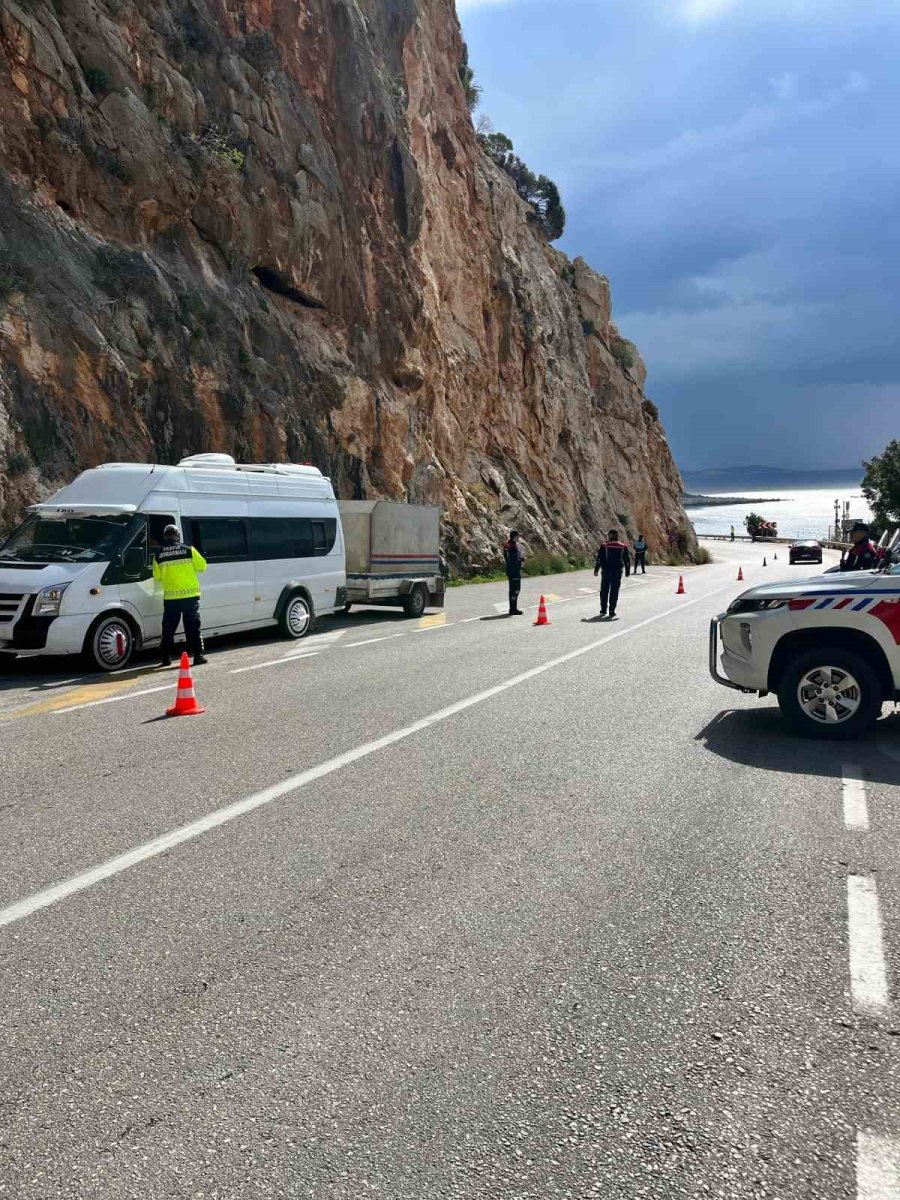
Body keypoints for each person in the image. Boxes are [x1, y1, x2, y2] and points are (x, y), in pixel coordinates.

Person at [152, 524, 208, 666]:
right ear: (177, 536)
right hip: (190, 597)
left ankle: (166, 659)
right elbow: (202, 566)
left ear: (165, 537)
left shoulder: (158, 555)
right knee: (193, 628)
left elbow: (157, 576)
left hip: (171, 599)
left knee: (168, 630)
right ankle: (198, 657)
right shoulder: (189, 550)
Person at [594, 528, 631, 619]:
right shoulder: (623, 546)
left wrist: (596, 569)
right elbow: (627, 560)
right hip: (617, 572)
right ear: (617, 536)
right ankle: (611, 611)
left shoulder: (604, 545)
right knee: (614, 591)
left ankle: (603, 610)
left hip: (606, 571)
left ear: (609, 536)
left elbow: (599, 559)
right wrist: (627, 571)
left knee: (604, 591)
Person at [503, 529, 524, 616]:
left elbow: (510, 559)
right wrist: (520, 560)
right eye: (518, 536)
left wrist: (520, 559)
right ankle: (513, 609)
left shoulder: (509, 545)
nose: (519, 537)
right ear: (515, 536)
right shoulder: (512, 546)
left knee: (513, 590)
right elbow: (513, 560)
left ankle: (513, 608)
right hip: (514, 571)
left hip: (511, 570)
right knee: (515, 590)